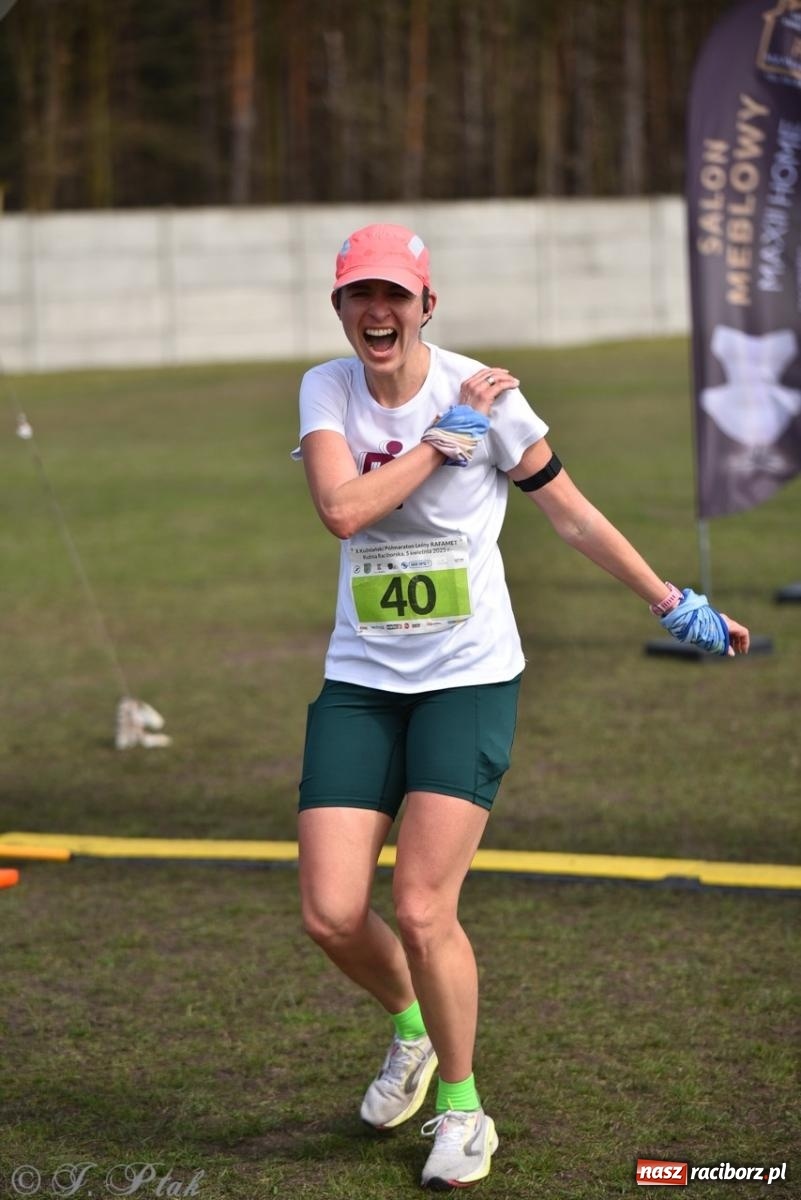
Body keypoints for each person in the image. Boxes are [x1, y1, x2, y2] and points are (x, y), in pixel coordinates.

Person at [293, 223, 750, 1191]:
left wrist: (673, 601)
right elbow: (340, 508)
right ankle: (412, 1034)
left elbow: (571, 512)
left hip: (467, 676)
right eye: (358, 296)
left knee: (421, 906)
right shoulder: (326, 388)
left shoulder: (487, 399)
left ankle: (464, 1110)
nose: (377, 313)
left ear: (427, 304)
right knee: (333, 914)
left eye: (395, 295)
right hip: (363, 680)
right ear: (340, 307)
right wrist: (439, 442)